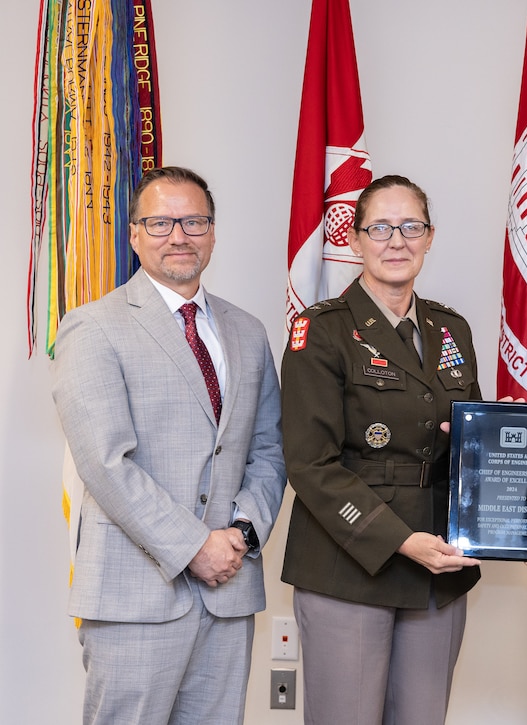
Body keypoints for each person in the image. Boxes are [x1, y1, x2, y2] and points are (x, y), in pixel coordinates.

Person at [51, 166, 287, 724]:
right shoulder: (92, 327)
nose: (178, 235)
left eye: (194, 221)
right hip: (134, 593)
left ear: (212, 232)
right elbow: (105, 463)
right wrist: (194, 546)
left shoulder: (248, 331)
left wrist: (242, 534)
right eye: (160, 222)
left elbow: (269, 449)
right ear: (134, 234)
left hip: (229, 592)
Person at [280, 174, 483, 725]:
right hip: (348, 564)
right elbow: (309, 464)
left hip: (437, 565)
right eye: (381, 228)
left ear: (430, 236)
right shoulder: (319, 332)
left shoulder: (452, 330)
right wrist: (401, 540)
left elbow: (473, 454)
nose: (397, 241)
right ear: (355, 239)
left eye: (411, 226)